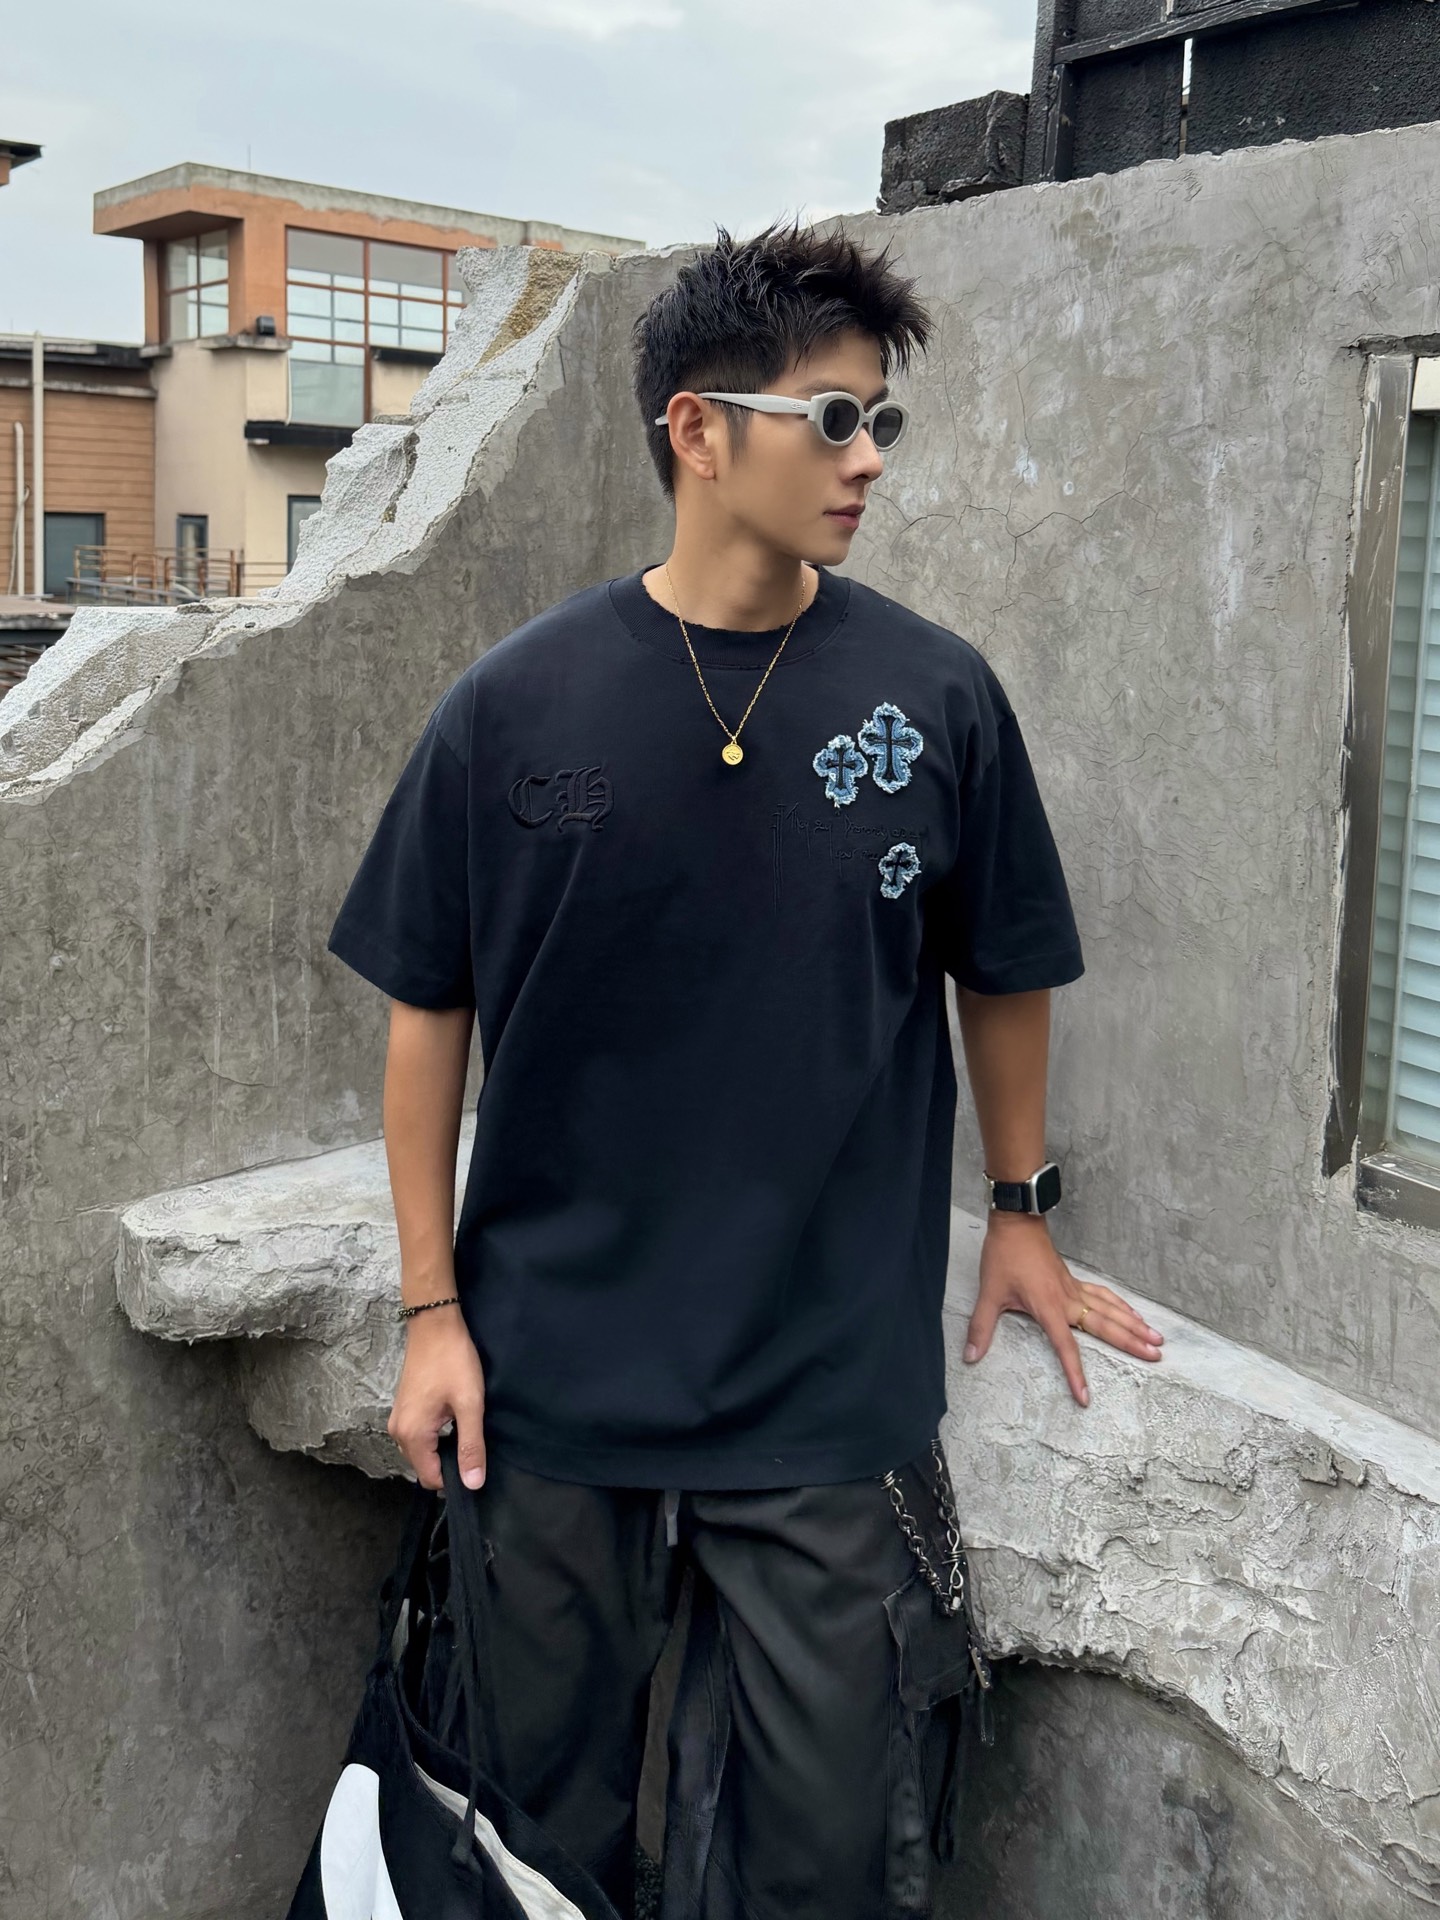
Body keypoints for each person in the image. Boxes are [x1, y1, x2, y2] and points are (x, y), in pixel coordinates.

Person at [326, 221, 1165, 1920]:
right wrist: (430, 1311)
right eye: (833, 419)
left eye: (881, 423)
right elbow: (429, 1013)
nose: (870, 461)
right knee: (518, 1841)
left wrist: (1020, 1208)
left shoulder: (937, 698)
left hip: (826, 1384)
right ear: (696, 432)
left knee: (827, 1857)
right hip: (549, 1379)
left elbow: (1004, 967)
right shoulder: (513, 707)